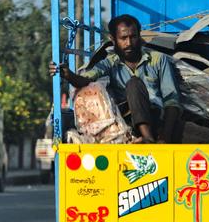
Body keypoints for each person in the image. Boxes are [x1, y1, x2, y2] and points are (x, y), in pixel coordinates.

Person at [51, 14, 182, 143]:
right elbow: (85, 79)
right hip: (128, 124)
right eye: (123, 38)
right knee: (134, 84)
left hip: (158, 120)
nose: (129, 43)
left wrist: (165, 137)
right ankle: (146, 137)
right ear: (113, 39)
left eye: (133, 37)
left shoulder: (158, 59)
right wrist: (68, 75)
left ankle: (150, 138)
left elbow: (172, 100)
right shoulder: (109, 63)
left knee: (199, 138)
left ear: (139, 36)